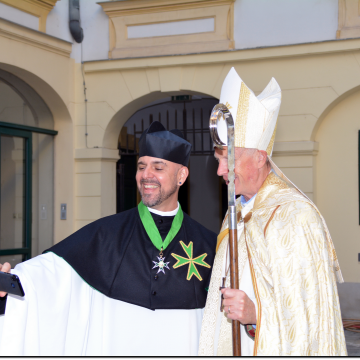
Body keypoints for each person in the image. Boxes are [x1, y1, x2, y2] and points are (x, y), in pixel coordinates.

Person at [0, 121, 217, 356]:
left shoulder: (209, 244)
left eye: (158, 167)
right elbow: (53, 273)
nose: (146, 175)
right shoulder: (105, 234)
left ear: (181, 175)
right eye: (141, 166)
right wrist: (10, 281)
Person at [198, 67, 347, 356]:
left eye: (230, 159)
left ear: (260, 156)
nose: (220, 171)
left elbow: (309, 323)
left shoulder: (296, 215)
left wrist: (255, 315)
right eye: (218, 159)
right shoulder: (235, 213)